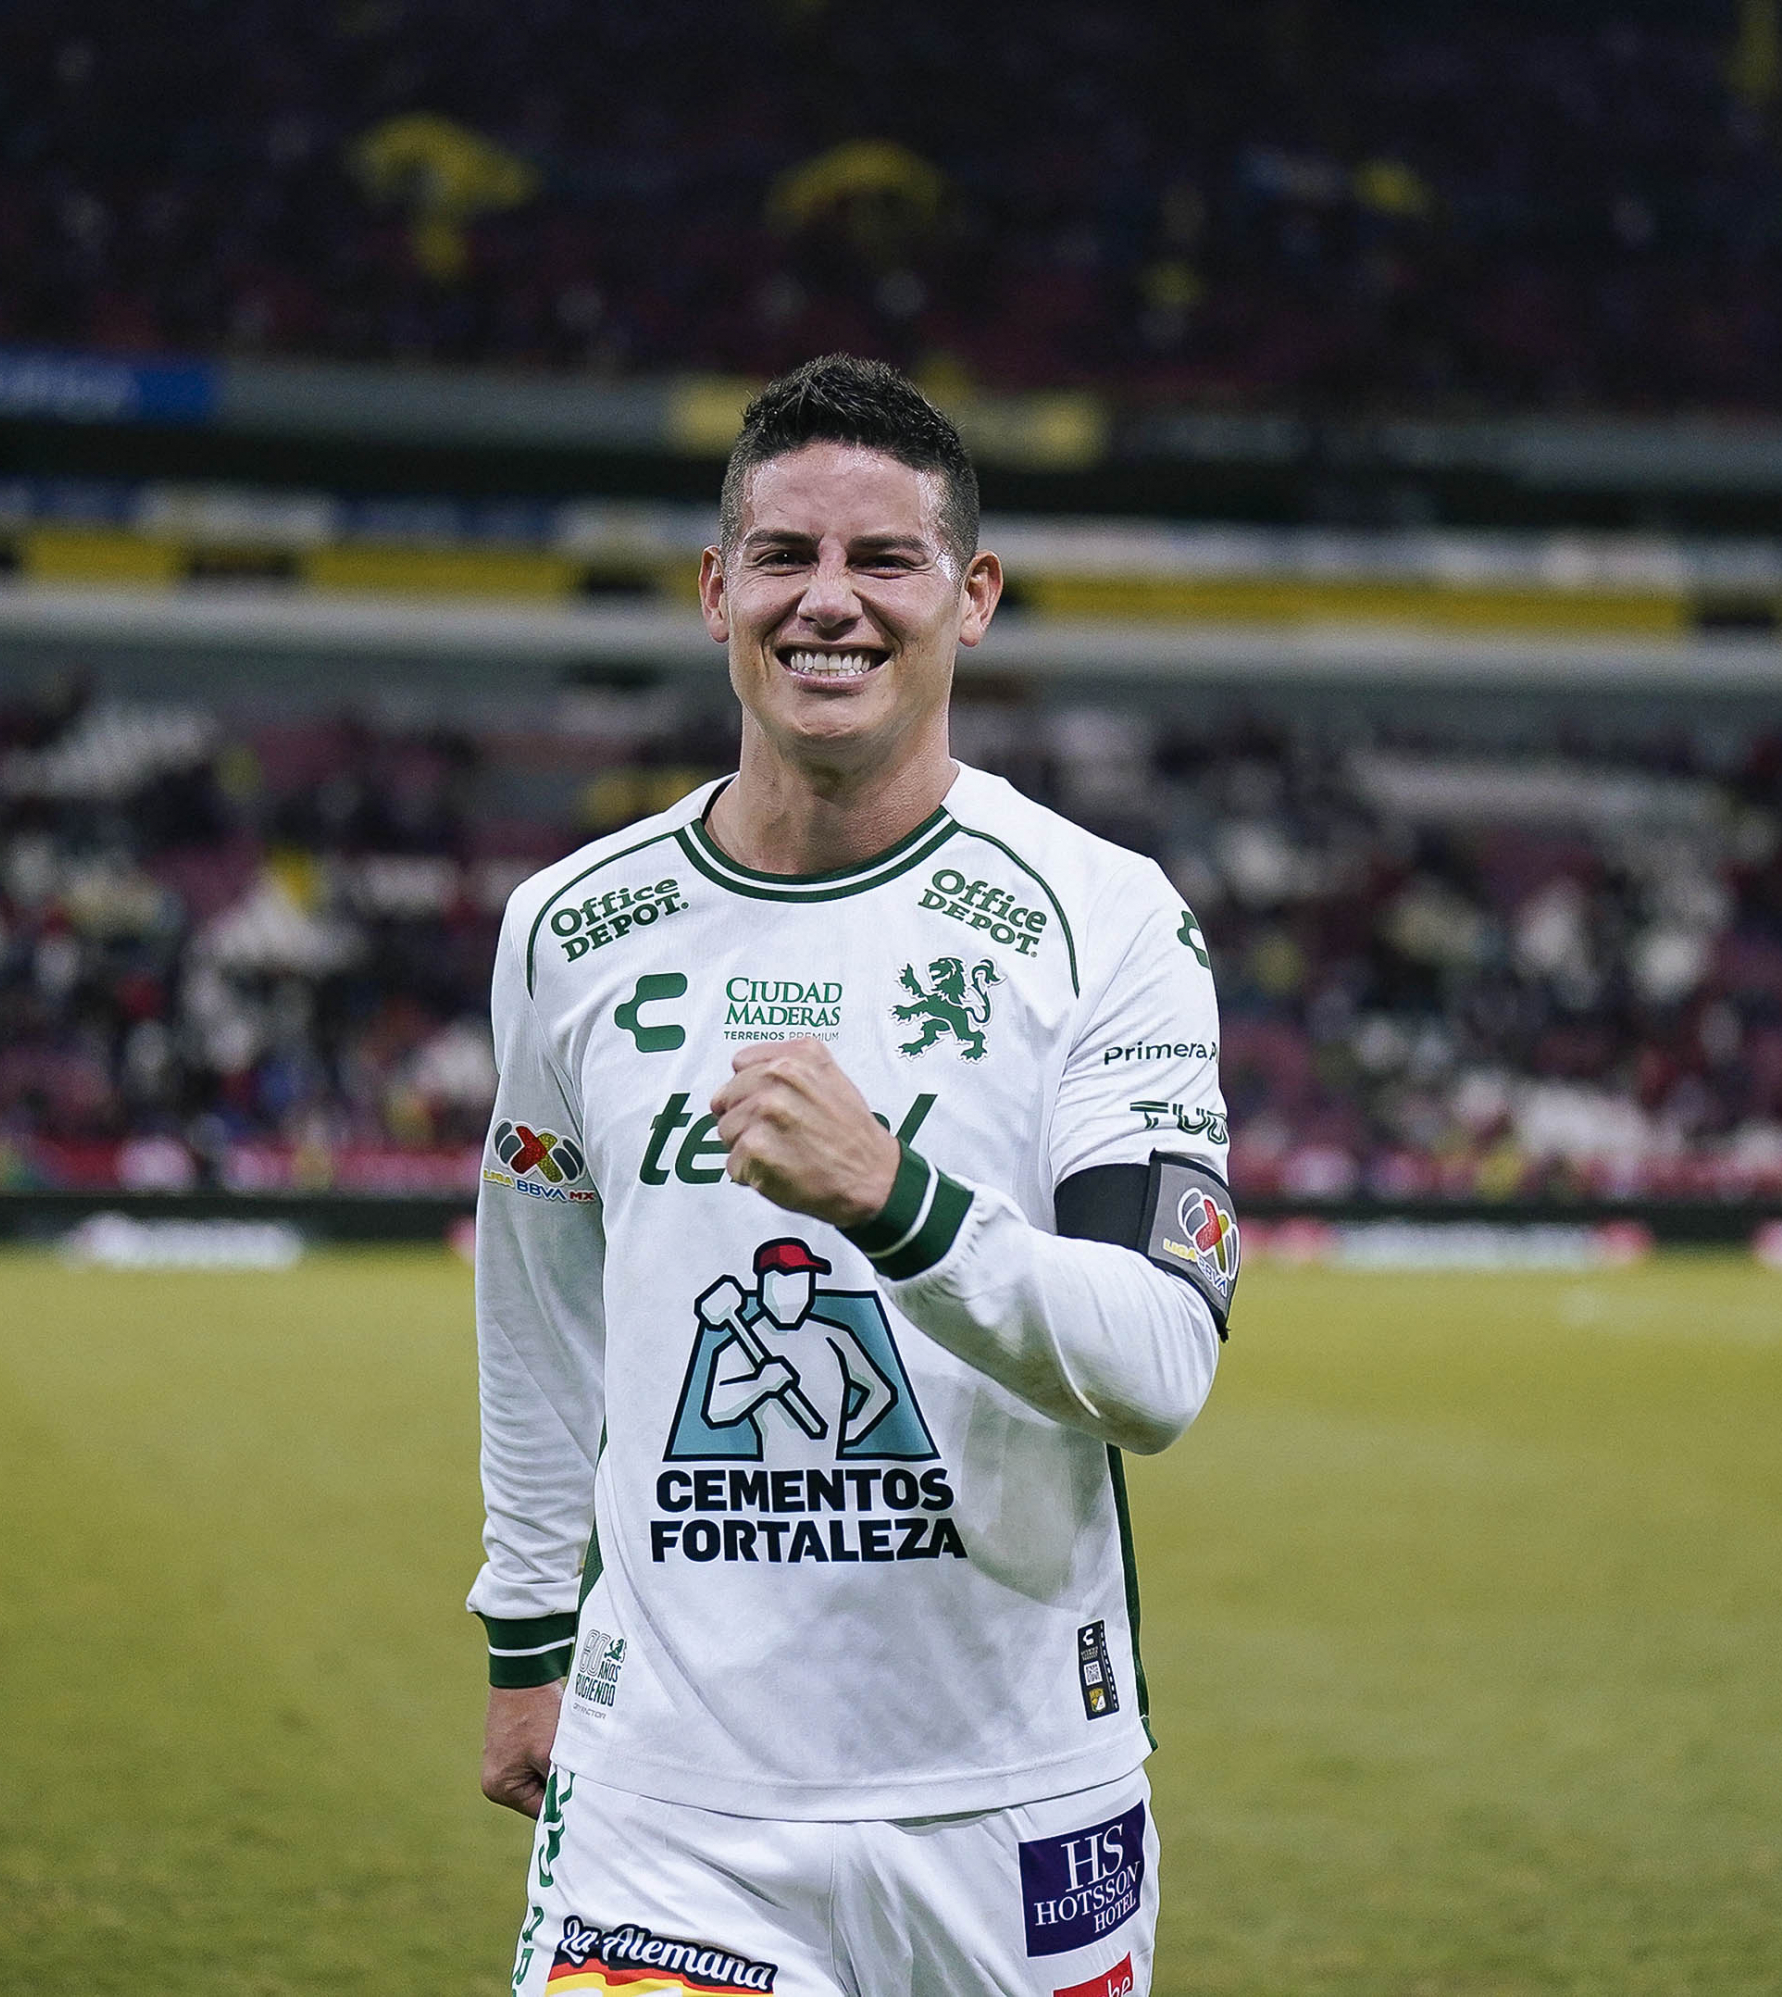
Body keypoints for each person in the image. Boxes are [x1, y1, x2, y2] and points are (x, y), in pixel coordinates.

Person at [470, 354, 1235, 1997]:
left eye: (884, 560)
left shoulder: (1109, 922)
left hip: (1013, 1798)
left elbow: (1159, 1364)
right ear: (714, 590)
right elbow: (535, 1309)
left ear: (973, 597)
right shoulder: (570, 928)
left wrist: (897, 1199)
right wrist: (529, 1639)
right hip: (665, 1798)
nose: (830, 603)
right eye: (783, 557)